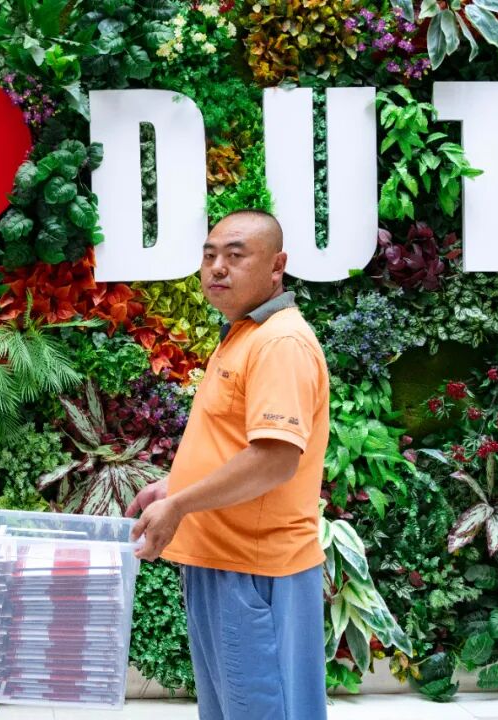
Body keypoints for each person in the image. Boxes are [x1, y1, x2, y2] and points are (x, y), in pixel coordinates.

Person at [126, 209, 329, 720]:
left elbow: (275, 459)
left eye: (236, 256)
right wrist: (174, 487)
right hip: (223, 563)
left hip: (256, 572)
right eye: (210, 255)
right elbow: (238, 445)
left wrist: (180, 505)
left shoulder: (279, 343)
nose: (217, 267)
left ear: (277, 266)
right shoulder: (243, 334)